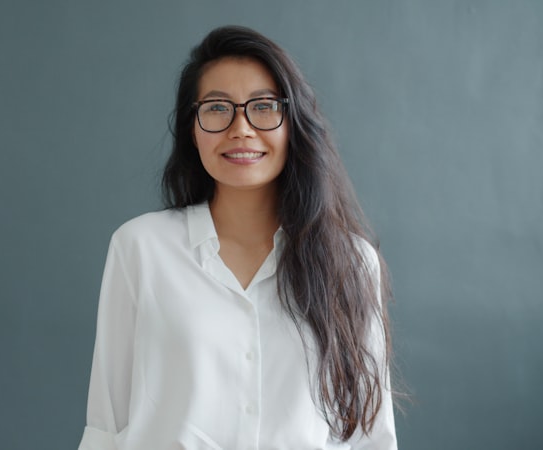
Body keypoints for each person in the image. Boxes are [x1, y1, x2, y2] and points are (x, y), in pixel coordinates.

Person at [78, 25, 398, 450]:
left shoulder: (352, 262)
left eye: (264, 107)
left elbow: (370, 438)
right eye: (217, 108)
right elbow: (106, 424)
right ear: (192, 128)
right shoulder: (140, 247)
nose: (241, 128)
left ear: (294, 123)